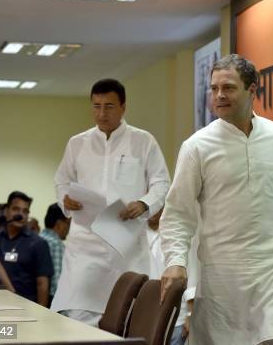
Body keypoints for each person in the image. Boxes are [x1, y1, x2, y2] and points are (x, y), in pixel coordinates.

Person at [160, 54, 273, 345]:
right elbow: (178, 214)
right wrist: (176, 262)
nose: (219, 95)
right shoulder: (197, 147)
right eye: (214, 89)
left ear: (252, 91)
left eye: (228, 87)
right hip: (224, 284)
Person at [53, 78, 170, 326]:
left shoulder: (143, 140)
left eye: (109, 106)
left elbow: (162, 182)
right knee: (79, 316)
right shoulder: (78, 143)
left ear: (123, 107)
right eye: (96, 106)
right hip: (85, 242)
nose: (101, 113)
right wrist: (66, 200)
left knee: (126, 317)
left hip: (125, 242)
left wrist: (144, 203)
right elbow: (61, 181)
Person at [146, 208, 198, 345]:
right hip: (149, 318)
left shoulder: (178, 241)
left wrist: (191, 315)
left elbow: (192, 278)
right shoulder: (142, 235)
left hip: (177, 319)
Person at [0, 191, 53, 305]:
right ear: (6, 211)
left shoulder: (38, 243)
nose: (21, 214)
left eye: (25, 211)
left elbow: (43, 284)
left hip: (26, 309)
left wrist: (41, 316)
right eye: (16, 209)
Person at [39, 203, 70, 303]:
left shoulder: (36, 239)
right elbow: (57, 285)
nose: (69, 229)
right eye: (69, 224)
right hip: (47, 303)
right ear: (59, 224)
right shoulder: (56, 244)